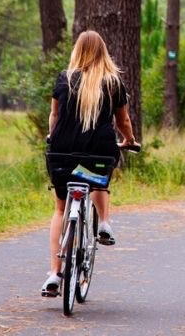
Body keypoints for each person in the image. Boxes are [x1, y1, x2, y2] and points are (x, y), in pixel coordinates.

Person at [41, 30, 138, 296]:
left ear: (77, 51)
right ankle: (104, 223)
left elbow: (54, 115)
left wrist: (52, 136)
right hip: (99, 151)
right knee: (98, 179)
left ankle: (54, 273)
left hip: (61, 152)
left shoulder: (65, 79)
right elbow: (123, 122)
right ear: (103, 52)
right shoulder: (113, 82)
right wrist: (129, 140)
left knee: (61, 210)